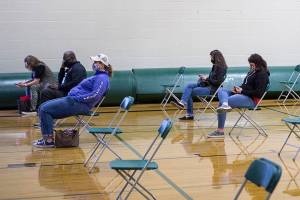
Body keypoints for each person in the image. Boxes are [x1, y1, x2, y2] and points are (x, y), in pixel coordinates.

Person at [33, 53, 112, 148]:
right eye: (94, 62)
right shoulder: (98, 76)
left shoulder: (102, 78)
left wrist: (77, 98)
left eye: (96, 62)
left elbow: (95, 95)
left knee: (45, 109)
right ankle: (47, 139)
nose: (94, 64)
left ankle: (48, 140)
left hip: (78, 103)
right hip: (73, 100)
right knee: (43, 107)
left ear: (103, 64)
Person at [207, 53, 270, 138]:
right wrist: (238, 88)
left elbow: (259, 93)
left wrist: (242, 91)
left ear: (257, 63)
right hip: (244, 94)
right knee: (221, 90)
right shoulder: (252, 71)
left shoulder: (262, 74)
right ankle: (225, 105)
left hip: (252, 99)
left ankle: (220, 130)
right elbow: (245, 85)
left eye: (252, 64)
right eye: (250, 64)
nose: (250, 66)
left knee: (222, 103)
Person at [171, 50, 227, 120]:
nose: (211, 58)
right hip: (208, 85)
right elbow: (213, 78)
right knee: (189, 86)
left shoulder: (222, 68)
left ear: (215, 57)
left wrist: (206, 78)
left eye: (211, 57)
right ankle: (182, 103)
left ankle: (189, 114)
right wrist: (205, 78)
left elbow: (217, 82)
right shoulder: (215, 66)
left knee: (189, 92)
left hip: (213, 89)